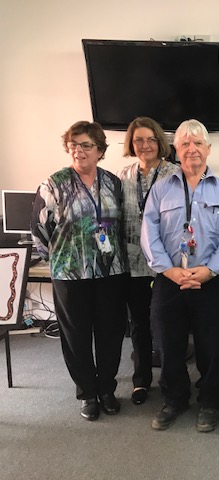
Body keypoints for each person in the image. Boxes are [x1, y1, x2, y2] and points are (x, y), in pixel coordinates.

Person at [140, 119, 219, 432]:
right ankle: (175, 399)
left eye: (198, 143)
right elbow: (149, 232)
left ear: (208, 149)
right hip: (169, 282)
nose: (192, 149)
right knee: (168, 346)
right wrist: (169, 270)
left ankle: (210, 402)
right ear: (176, 151)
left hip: (208, 283)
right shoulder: (161, 189)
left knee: (212, 346)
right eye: (185, 144)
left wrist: (210, 270)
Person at [31, 121, 128, 421]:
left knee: (111, 333)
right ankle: (87, 393)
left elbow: (122, 223)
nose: (79, 150)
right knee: (77, 337)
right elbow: (38, 230)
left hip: (110, 271)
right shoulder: (54, 183)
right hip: (70, 275)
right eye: (74, 144)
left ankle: (107, 389)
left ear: (100, 150)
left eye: (86, 145)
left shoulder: (113, 183)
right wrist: (62, 257)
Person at [117, 116, 180, 405]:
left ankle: (173, 380)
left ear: (161, 142)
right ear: (131, 144)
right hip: (134, 262)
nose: (145, 145)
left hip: (167, 262)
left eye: (151, 139)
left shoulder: (175, 174)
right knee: (140, 323)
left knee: (168, 323)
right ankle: (140, 381)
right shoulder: (123, 176)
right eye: (138, 140)